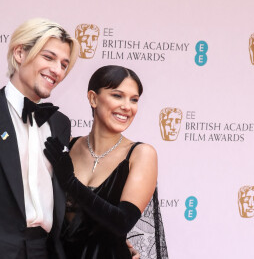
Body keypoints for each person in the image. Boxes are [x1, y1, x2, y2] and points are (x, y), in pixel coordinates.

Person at [0, 18, 78, 259]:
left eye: (64, 64)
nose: (57, 70)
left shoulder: (60, 124)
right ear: (20, 53)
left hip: (44, 251)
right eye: (49, 57)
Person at [44, 65, 169, 258]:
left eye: (134, 99)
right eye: (117, 95)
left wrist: (70, 181)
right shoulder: (67, 147)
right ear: (93, 98)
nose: (127, 106)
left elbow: (122, 222)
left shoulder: (141, 154)